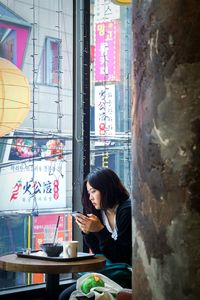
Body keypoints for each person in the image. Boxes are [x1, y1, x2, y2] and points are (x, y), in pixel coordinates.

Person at [59, 167, 132, 300]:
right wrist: (88, 232)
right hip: (110, 271)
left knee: (67, 296)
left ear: (107, 189)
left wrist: (100, 230)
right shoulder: (100, 211)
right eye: (88, 193)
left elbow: (122, 256)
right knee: (65, 296)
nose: (90, 197)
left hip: (126, 272)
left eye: (93, 191)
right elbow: (99, 252)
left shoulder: (127, 210)